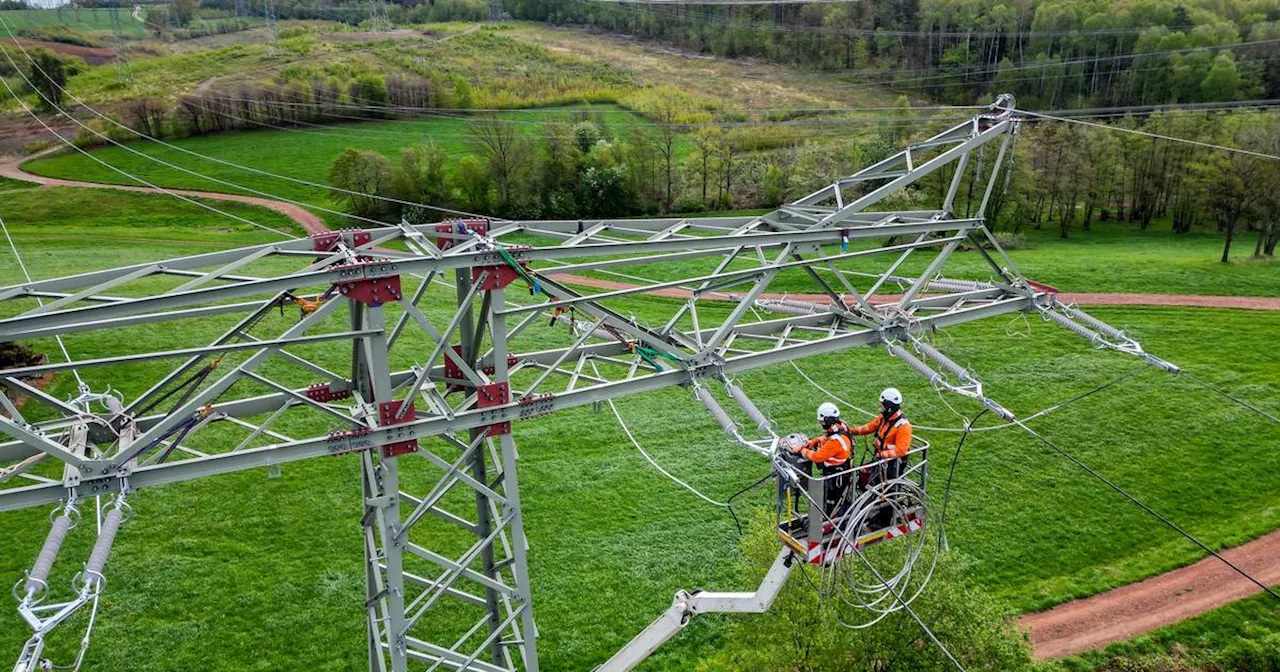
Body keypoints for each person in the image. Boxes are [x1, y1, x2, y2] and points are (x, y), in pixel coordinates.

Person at [850, 388, 913, 525]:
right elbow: (868, 428)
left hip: (893, 464)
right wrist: (850, 431)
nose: (880, 407)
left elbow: (901, 450)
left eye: (883, 404)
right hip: (881, 460)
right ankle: (876, 510)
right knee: (873, 482)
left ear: (889, 407)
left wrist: (883, 454)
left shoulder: (903, 426)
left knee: (888, 489)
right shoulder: (883, 418)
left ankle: (884, 519)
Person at [788, 402, 853, 512]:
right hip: (840, 472)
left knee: (832, 502)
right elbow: (826, 436)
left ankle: (832, 521)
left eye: (822, 422)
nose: (820, 424)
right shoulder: (840, 427)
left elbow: (818, 457)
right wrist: (813, 442)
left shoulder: (836, 441)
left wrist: (802, 450)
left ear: (828, 420)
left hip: (835, 476)